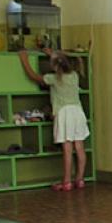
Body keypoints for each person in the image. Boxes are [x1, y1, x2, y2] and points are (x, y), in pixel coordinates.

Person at [18, 49, 90, 191]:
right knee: (80, 148)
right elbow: (62, 62)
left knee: (67, 149)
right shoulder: (74, 75)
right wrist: (53, 54)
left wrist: (24, 60)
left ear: (55, 66)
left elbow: (34, 76)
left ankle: (67, 182)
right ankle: (80, 179)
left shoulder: (54, 78)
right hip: (77, 112)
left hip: (64, 113)